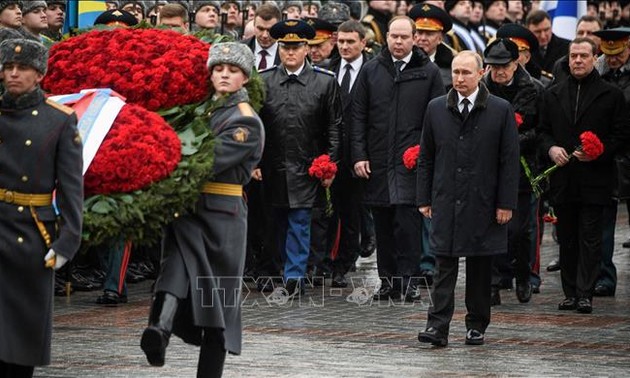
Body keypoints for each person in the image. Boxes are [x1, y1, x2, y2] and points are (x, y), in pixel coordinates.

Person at [140, 42, 263, 377]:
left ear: (245, 79)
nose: (224, 74)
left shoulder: (245, 121)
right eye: (218, 69)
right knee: (174, 267)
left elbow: (205, 160)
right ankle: (158, 330)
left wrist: (156, 164)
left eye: (233, 70)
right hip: (189, 209)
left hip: (221, 217)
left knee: (216, 306)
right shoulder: (202, 110)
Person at [417, 50, 520, 347]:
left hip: (484, 200)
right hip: (446, 198)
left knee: (479, 266)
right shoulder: (436, 108)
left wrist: (505, 203)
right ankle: (437, 327)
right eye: (455, 72)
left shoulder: (500, 109)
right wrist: (424, 197)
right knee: (443, 264)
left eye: (465, 73)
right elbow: (426, 157)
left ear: (481, 73)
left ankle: (476, 325)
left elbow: (509, 160)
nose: (459, 78)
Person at [0, 38, 83, 378]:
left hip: (30, 232)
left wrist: (66, 241)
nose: (13, 74)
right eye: (8, 67)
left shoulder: (58, 120)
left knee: (22, 333)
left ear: (39, 74)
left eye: (22, 69)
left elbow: (70, 187)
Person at [352, 16, 445, 302]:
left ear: (414, 38)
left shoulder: (428, 72)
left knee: (408, 226)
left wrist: (423, 152)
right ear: (387, 37)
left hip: (410, 162)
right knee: (383, 224)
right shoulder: (371, 70)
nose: (399, 42)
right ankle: (388, 281)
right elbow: (358, 116)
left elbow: (437, 118)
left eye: (404, 37)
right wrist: (359, 155)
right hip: (378, 160)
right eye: (394, 36)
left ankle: (409, 280)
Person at [538, 37, 630, 314]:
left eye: (583, 56)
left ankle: (585, 292)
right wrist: (551, 149)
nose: (577, 61)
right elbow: (542, 131)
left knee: (590, 236)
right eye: (573, 56)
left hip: (595, 177)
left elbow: (622, 134)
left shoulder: (610, 94)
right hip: (564, 178)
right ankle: (569, 292)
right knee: (566, 236)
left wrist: (599, 151)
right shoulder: (552, 93)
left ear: (594, 59)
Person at [258, 19, 341, 296]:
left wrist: (329, 164)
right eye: (284, 47)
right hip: (272, 164)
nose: (289, 53)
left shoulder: (324, 82)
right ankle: (276, 270)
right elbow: (255, 125)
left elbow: (334, 126)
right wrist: (254, 162)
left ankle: (294, 276)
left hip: (307, 166)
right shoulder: (265, 80)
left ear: (307, 48)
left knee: (300, 222)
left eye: (295, 47)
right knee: (273, 223)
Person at [482, 38, 543, 305]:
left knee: (521, 229)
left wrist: (510, 142)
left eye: (504, 66)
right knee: (492, 227)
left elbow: (540, 130)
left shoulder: (534, 89)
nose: (499, 72)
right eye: (494, 67)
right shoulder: (483, 87)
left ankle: (523, 275)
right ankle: (493, 282)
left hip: (522, 168)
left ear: (516, 62)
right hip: (489, 169)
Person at [325, 19, 370, 288]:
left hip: (359, 154)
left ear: (363, 43)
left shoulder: (372, 71)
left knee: (353, 213)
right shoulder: (328, 69)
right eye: (340, 41)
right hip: (332, 153)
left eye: (350, 41)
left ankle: (344, 262)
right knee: (330, 212)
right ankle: (328, 260)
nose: (344, 47)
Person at [591, 27, 630, 297]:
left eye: (619, 53)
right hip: (605, 158)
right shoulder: (596, 73)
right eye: (609, 53)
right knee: (603, 223)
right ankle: (604, 275)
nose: (614, 58)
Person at [409, 3, 456, 89]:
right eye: (419, 32)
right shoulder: (401, 60)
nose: (423, 38)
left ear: (440, 39)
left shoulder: (452, 66)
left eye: (429, 34)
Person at [526, 9, 570, 82]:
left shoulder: (567, 47)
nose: (543, 36)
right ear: (528, 30)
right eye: (538, 32)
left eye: (546, 30)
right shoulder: (523, 50)